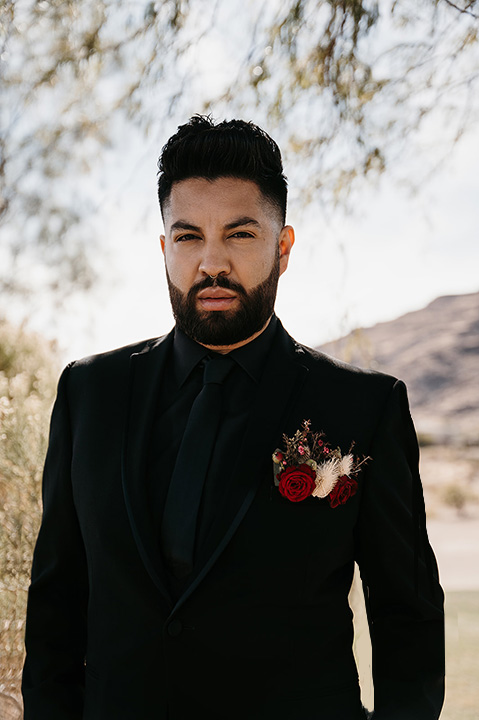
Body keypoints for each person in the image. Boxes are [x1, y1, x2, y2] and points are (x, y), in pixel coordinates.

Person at [22, 115, 445, 720]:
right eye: (189, 236)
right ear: (165, 249)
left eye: (240, 235)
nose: (211, 263)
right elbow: (58, 598)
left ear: (283, 246)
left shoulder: (362, 407)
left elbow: (408, 617)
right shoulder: (89, 392)